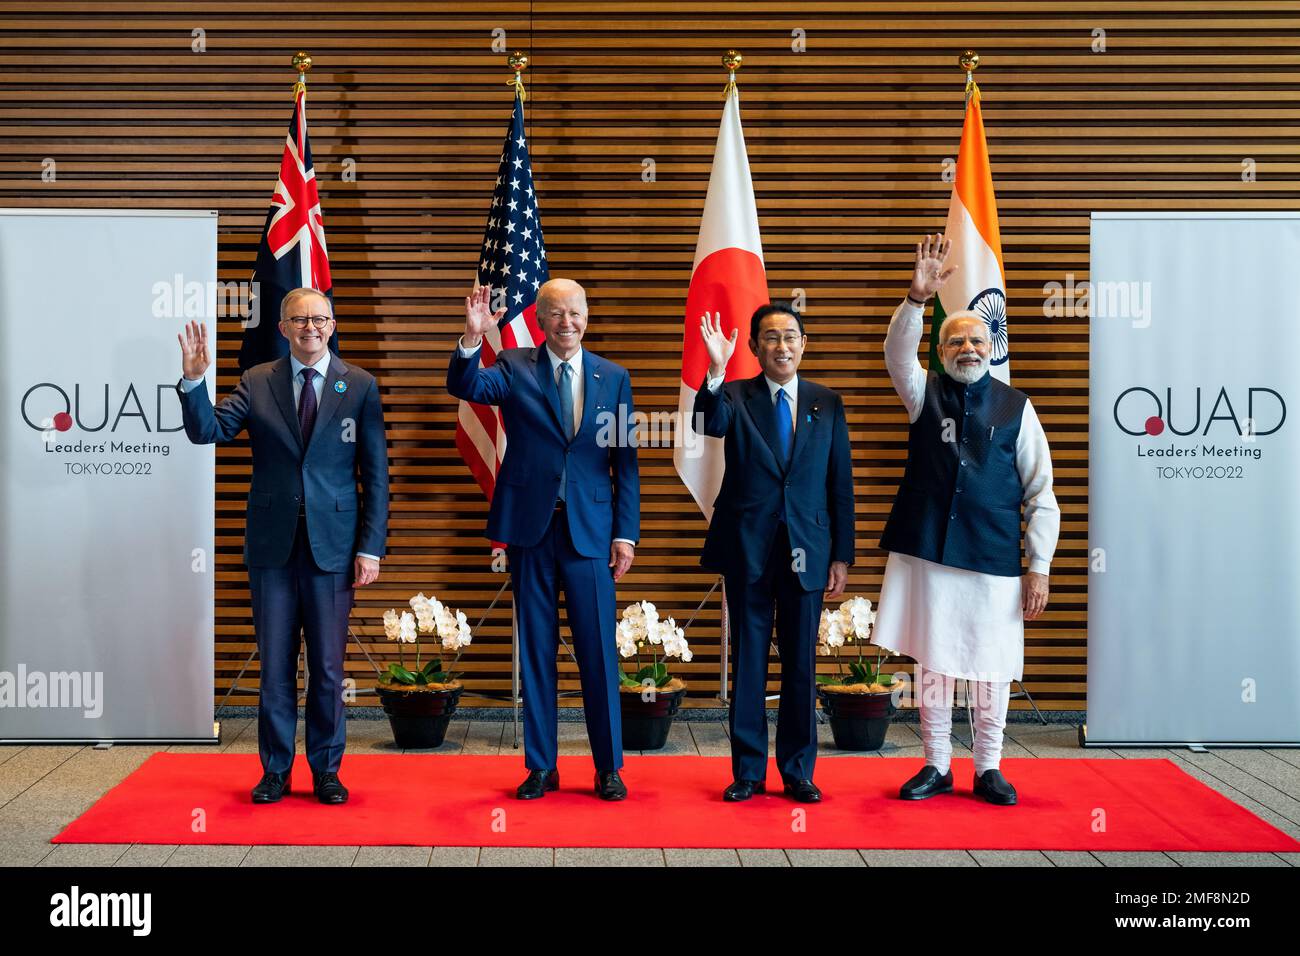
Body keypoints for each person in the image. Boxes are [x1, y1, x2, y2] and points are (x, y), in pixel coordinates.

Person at [177, 287, 389, 805]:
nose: (310, 327)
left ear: (332, 325)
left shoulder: (359, 385)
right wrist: (194, 380)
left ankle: (326, 771)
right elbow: (208, 431)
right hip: (272, 548)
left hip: (334, 548)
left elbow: (376, 474)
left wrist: (371, 547)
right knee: (274, 667)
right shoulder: (257, 380)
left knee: (329, 668)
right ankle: (275, 770)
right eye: (299, 319)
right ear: (283, 327)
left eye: (319, 318)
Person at [876, 234, 1060, 806]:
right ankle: (935, 764)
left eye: (977, 339)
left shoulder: (1016, 407)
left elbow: (1042, 492)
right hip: (930, 550)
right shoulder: (921, 393)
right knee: (934, 661)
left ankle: (988, 767)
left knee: (991, 663)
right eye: (955, 340)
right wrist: (915, 298)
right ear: (943, 348)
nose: (967, 347)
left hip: (994, 556)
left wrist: (1040, 567)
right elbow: (896, 355)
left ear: (992, 345)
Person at [447, 279, 639, 801]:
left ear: (586, 316)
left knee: (598, 653)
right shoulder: (512, 367)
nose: (567, 322)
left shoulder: (613, 377)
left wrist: (625, 533)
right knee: (536, 651)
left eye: (575, 312)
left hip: (591, 535)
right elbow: (466, 388)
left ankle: (608, 767)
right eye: (556, 313)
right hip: (531, 531)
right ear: (541, 318)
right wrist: (471, 340)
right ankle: (540, 766)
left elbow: (626, 464)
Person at [694, 301, 855, 802]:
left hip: (809, 548)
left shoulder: (826, 402)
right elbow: (707, 423)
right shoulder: (736, 396)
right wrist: (716, 370)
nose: (781, 345)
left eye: (790, 336)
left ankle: (798, 770)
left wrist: (841, 556)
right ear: (754, 347)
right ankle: (747, 770)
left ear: (803, 345)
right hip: (749, 549)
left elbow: (839, 483)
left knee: (802, 664)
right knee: (748, 661)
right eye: (770, 337)